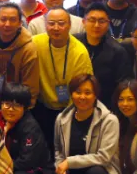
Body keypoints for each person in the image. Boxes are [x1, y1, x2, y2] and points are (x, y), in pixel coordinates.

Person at [52, 73, 120, 174]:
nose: (82, 97)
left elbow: (104, 157)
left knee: (95, 173)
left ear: (95, 95)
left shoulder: (109, 120)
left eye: (88, 92)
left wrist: (69, 162)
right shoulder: (62, 119)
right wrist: (60, 166)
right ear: (71, 94)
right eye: (78, 92)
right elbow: (58, 149)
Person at [31, 8, 93, 146]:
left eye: (61, 23)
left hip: (70, 108)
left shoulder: (79, 52)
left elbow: (83, 86)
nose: (56, 28)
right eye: (51, 23)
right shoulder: (35, 43)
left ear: (69, 25)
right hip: (42, 105)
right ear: (45, 25)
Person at [0, 2, 39, 107]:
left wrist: (26, 108)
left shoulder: (28, 48)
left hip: (16, 103)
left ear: (20, 22)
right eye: (3, 19)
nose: (7, 24)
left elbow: (31, 85)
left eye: (13, 20)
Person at [75, 3, 132, 109]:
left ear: (108, 23)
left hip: (104, 106)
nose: (96, 25)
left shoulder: (117, 51)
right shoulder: (73, 43)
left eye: (101, 21)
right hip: (74, 102)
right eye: (92, 20)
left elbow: (122, 85)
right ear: (84, 22)